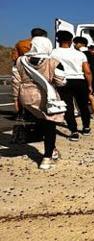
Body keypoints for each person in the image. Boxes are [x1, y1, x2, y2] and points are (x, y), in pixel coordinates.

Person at [11, 36, 66, 170]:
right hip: (46, 98)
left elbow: (15, 82)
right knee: (50, 127)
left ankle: (52, 151)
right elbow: (61, 82)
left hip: (27, 97)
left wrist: (16, 100)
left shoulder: (20, 61)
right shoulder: (53, 62)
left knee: (40, 122)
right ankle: (47, 158)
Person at [51, 30, 93, 140]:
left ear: (57, 40)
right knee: (83, 105)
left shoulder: (53, 53)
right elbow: (87, 71)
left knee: (68, 107)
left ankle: (74, 131)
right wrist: (89, 85)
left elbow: (51, 69)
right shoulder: (80, 54)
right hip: (80, 81)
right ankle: (86, 127)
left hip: (63, 81)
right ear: (71, 41)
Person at [11, 28, 48, 119]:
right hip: (40, 69)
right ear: (43, 36)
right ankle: (39, 112)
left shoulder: (21, 43)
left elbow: (14, 57)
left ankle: (21, 113)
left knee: (21, 91)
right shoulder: (44, 44)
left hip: (23, 69)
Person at [73, 37, 94, 117]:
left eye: (75, 43)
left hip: (86, 76)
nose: (74, 45)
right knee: (90, 95)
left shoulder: (80, 54)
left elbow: (86, 69)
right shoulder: (91, 54)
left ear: (80, 44)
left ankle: (78, 111)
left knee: (79, 94)